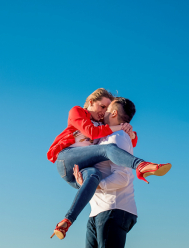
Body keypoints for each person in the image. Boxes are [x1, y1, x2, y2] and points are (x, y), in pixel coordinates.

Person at [48, 88, 172, 240]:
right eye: (102, 106)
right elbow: (91, 132)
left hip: (82, 170)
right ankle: (140, 165)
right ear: (91, 102)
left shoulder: (102, 123)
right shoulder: (78, 112)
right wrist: (120, 127)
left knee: (95, 175)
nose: (104, 112)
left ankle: (67, 220)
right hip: (67, 159)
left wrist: (129, 131)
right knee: (107, 149)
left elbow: (128, 141)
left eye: (107, 108)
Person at [74, 98, 140, 248]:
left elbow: (122, 177)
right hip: (99, 210)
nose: (103, 112)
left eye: (107, 108)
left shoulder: (118, 137)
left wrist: (95, 186)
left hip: (114, 209)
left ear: (114, 113)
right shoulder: (106, 137)